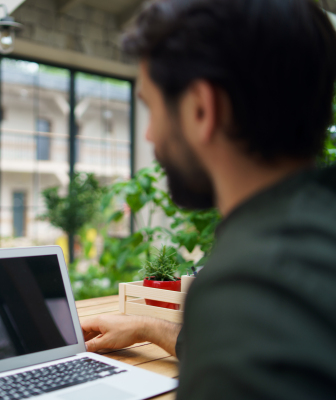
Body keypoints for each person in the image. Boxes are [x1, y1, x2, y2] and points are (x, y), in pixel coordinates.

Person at [81, 0, 336, 398]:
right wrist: (149, 327)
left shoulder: (250, 285)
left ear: (202, 108)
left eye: (152, 107)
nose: (149, 136)